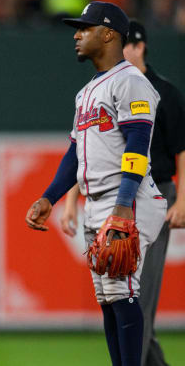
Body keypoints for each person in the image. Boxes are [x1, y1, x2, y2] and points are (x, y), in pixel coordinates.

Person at [25, 1, 167, 366]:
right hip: (98, 200)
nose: (76, 35)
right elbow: (74, 153)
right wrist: (49, 197)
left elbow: (137, 144)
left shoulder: (131, 81)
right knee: (107, 296)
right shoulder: (86, 92)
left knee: (122, 291)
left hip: (128, 196)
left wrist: (123, 206)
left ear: (108, 35)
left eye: (84, 29)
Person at [59, 20, 185, 366]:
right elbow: (83, 154)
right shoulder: (96, 89)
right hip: (116, 196)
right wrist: (69, 200)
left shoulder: (160, 91)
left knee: (131, 296)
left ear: (138, 46)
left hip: (149, 192)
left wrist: (182, 201)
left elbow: (178, 149)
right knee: (120, 297)